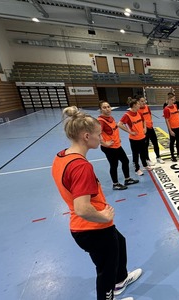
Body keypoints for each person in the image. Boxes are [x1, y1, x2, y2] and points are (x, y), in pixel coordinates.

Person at [51, 106, 142, 300]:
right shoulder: (81, 167)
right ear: (86, 136)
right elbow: (82, 209)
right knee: (105, 272)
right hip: (93, 228)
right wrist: (103, 216)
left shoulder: (62, 156)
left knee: (121, 242)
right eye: (98, 135)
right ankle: (110, 291)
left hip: (90, 227)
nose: (100, 139)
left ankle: (120, 281)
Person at [98, 101, 139, 190]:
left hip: (117, 145)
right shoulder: (101, 121)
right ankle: (115, 184)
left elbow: (113, 130)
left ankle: (127, 179)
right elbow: (97, 133)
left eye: (108, 106)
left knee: (125, 161)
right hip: (110, 148)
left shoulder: (111, 118)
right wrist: (104, 143)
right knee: (114, 165)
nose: (107, 109)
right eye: (104, 107)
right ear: (101, 109)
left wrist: (117, 138)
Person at [118, 97, 150, 176]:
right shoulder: (127, 115)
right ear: (134, 105)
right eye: (138, 104)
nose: (140, 105)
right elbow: (119, 124)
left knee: (143, 152)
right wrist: (129, 131)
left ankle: (145, 165)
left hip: (142, 136)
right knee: (135, 154)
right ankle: (137, 169)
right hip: (134, 139)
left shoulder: (139, 112)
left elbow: (144, 120)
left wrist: (144, 128)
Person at [137, 96, 164, 164]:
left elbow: (150, 115)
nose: (143, 102)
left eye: (144, 101)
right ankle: (147, 159)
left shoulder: (147, 107)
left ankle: (158, 157)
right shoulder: (138, 110)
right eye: (142, 101)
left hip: (151, 128)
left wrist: (150, 123)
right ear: (138, 102)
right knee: (146, 145)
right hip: (144, 130)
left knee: (155, 143)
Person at [163, 95, 179, 162]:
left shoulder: (175, 106)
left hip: (178, 126)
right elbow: (167, 120)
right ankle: (172, 155)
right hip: (172, 128)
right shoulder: (166, 109)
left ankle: (178, 153)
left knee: (178, 141)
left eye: (173, 100)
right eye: (171, 100)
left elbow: (177, 114)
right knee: (172, 142)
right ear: (168, 100)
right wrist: (170, 130)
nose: (173, 101)